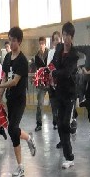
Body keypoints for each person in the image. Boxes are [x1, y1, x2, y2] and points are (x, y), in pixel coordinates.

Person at [0, 27, 36, 177]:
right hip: (10, 100)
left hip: (19, 100)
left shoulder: (22, 61)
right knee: (13, 132)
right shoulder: (7, 58)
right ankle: (21, 164)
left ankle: (28, 141)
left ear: (19, 41)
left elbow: (14, 81)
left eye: (13, 40)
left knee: (12, 128)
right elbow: (5, 77)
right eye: (9, 40)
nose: (11, 43)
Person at [50, 22, 79, 169]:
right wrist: (47, 71)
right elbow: (53, 63)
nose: (65, 38)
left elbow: (67, 72)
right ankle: (68, 156)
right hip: (59, 92)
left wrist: (54, 72)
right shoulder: (59, 48)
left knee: (65, 123)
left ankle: (69, 157)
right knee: (60, 123)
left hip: (70, 94)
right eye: (64, 34)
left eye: (68, 35)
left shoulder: (74, 54)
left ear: (72, 37)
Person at [34, 37, 49, 132]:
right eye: (40, 43)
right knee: (40, 103)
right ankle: (39, 123)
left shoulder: (50, 53)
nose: (41, 45)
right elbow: (37, 69)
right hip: (41, 83)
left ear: (45, 44)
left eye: (42, 43)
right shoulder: (37, 56)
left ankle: (56, 122)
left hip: (50, 81)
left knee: (55, 103)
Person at [47, 31, 61, 130]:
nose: (56, 41)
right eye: (54, 40)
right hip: (51, 82)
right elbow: (48, 65)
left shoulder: (63, 52)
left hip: (60, 82)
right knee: (53, 102)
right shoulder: (51, 52)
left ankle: (60, 120)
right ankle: (55, 120)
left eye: (57, 39)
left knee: (60, 102)